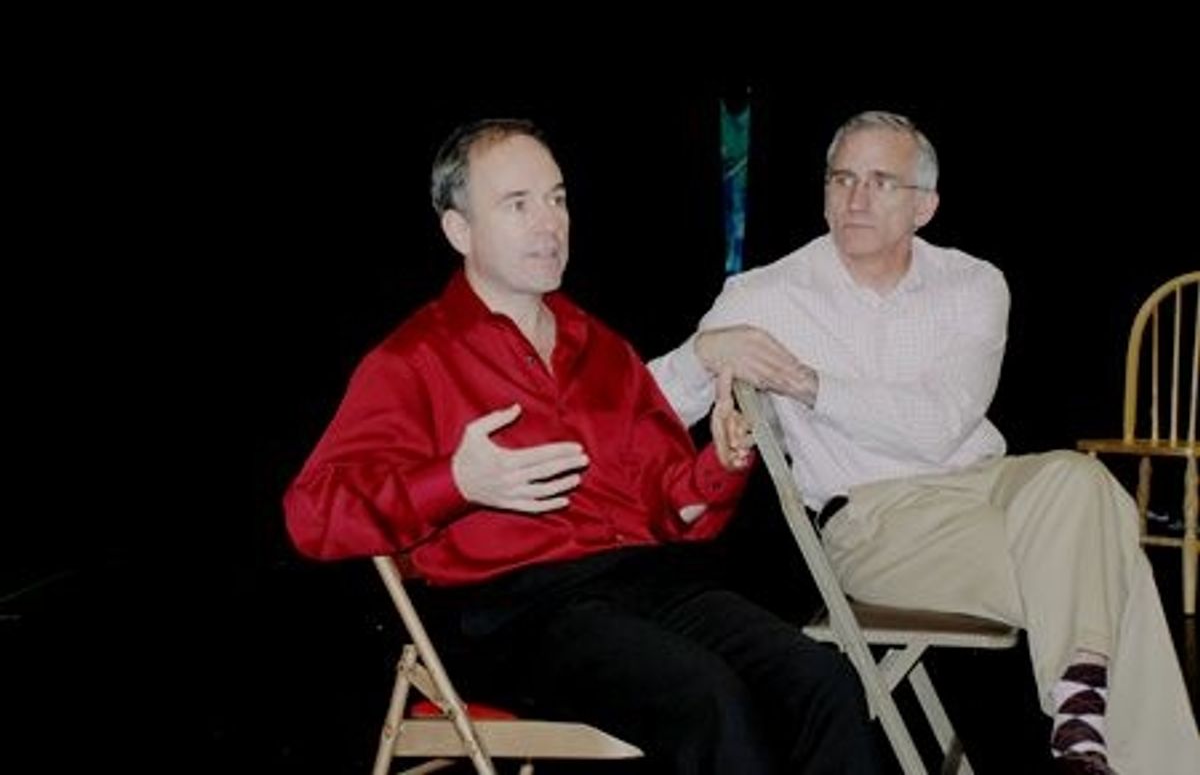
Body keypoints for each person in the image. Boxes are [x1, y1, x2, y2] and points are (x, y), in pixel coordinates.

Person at [283, 118, 882, 774]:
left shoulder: (601, 349)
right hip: (512, 612)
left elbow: (667, 507)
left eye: (557, 198)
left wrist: (718, 465)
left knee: (824, 679)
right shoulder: (413, 360)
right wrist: (456, 480)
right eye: (518, 204)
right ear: (459, 230)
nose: (549, 223)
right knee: (709, 698)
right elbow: (311, 513)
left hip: (640, 583)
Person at [650, 109, 1200, 774]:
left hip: (991, 490)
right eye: (841, 178)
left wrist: (810, 383)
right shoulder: (764, 294)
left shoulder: (974, 284)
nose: (854, 197)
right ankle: (1108, 742)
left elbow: (942, 422)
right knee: (1105, 553)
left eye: (881, 181)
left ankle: (1083, 733)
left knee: (1080, 479)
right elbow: (647, 406)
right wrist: (704, 349)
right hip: (876, 520)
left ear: (926, 206)